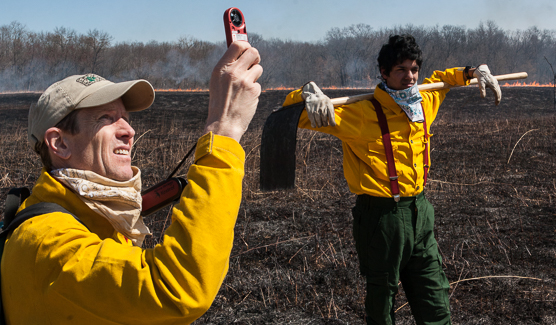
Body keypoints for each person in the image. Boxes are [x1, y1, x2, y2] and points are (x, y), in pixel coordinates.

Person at [3, 41, 262, 324]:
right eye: (107, 118)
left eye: (125, 118)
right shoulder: (46, 244)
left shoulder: (95, 217)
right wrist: (222, 131)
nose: (129, 130)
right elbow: (177, 289)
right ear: (60, 143)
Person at [282, 34, 502, 325]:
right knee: (382, 303)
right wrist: (306, 94)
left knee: (434, 297)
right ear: (384, 73)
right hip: (381, 218)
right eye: (400, 70)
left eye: (413, 69)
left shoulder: (424, 101)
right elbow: (293, 114)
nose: (410, 77)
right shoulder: (359, 113)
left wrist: (473, 71)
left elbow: (443, 80)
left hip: (420, 212)